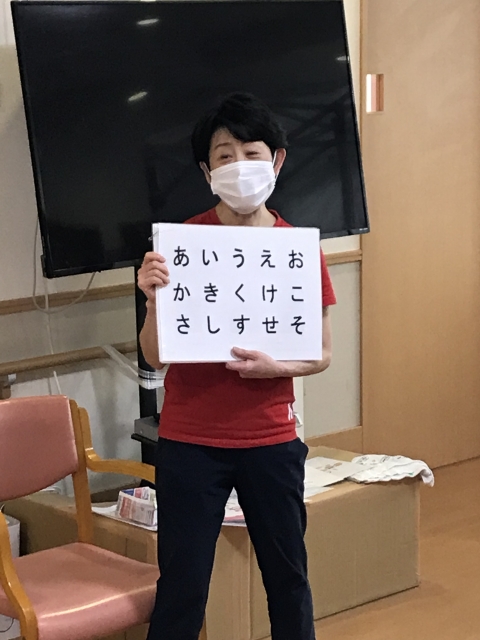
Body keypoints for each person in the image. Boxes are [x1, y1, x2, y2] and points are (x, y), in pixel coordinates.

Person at [138, 92, 336, 640]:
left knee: (288, 580)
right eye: (224, 156)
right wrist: (152, 301)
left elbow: (322, 353)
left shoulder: (298, 250)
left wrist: (276, 368)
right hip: (189, 441)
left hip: (270, 439)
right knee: (182, 587)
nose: (239, 165)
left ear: (277, 161)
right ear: (207, 172)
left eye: (252, 153)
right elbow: (155, 355)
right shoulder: (179, 245)